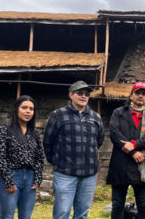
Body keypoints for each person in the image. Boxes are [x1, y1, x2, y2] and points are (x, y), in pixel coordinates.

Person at [43, 80, 104, 219]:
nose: (84, 96)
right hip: (65, 174)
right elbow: (48, 142)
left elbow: (98, 141)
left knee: (82, 214)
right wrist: (58, 161)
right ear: (71, 95)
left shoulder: (96, 117)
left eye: (87, 94)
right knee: (62, 212)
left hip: (89, 174)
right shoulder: (58, 115)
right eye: (80, 93)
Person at [107, 81, 145, 219]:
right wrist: (132, 152)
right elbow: (114, 133)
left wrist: (134, 144)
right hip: (120, 163)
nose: (140, 96)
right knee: (118, 203)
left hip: (142, 164)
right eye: (137, 93)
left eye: (144, 94)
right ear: (131, 95)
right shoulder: (118, 112)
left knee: (142, 204)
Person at [0, 95, 44, 219]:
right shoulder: (5, 130)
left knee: (26, 217)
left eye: (31, 109)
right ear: (16, 109)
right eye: (24, 108)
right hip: (11, 175)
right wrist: (8, 180)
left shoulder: (34, 133)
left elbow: (39, 157)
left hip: (30, 179)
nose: (28, 111)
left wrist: (38, 177)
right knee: (7, 216)